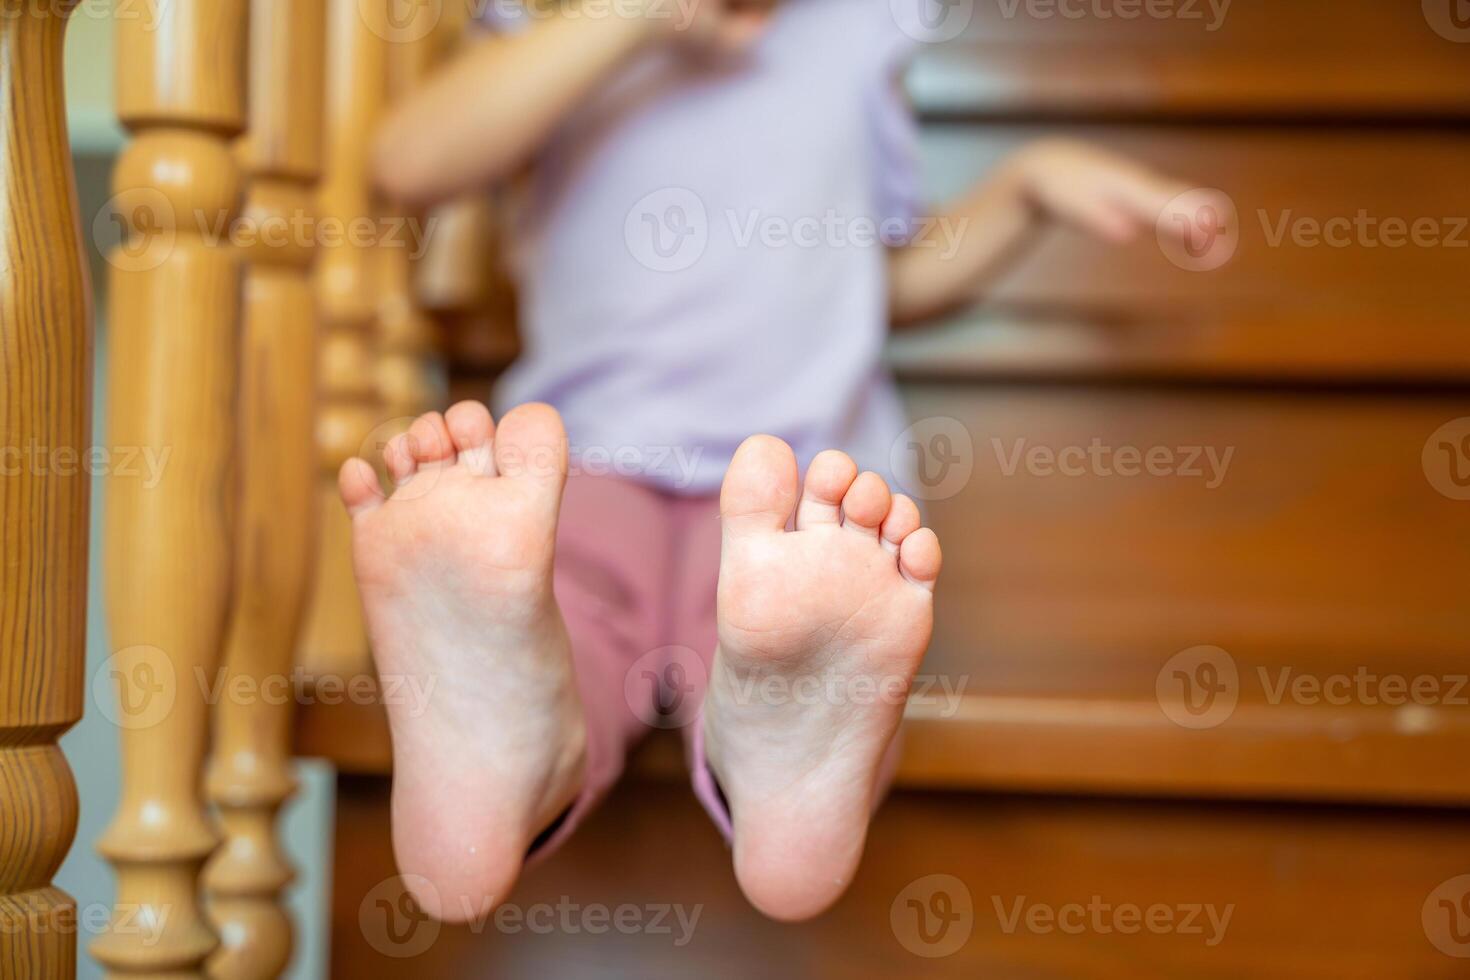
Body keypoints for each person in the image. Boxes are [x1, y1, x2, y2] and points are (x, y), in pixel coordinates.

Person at [339, 0, 1200, 923]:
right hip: (585, 455)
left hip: (796, 480)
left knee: (786, 631)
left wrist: (1026, 185)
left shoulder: (865, 26)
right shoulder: (558, 17)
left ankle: (767, 754)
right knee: (553, 609)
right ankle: (514, 745)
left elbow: (882, 278)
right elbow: (411, 162)